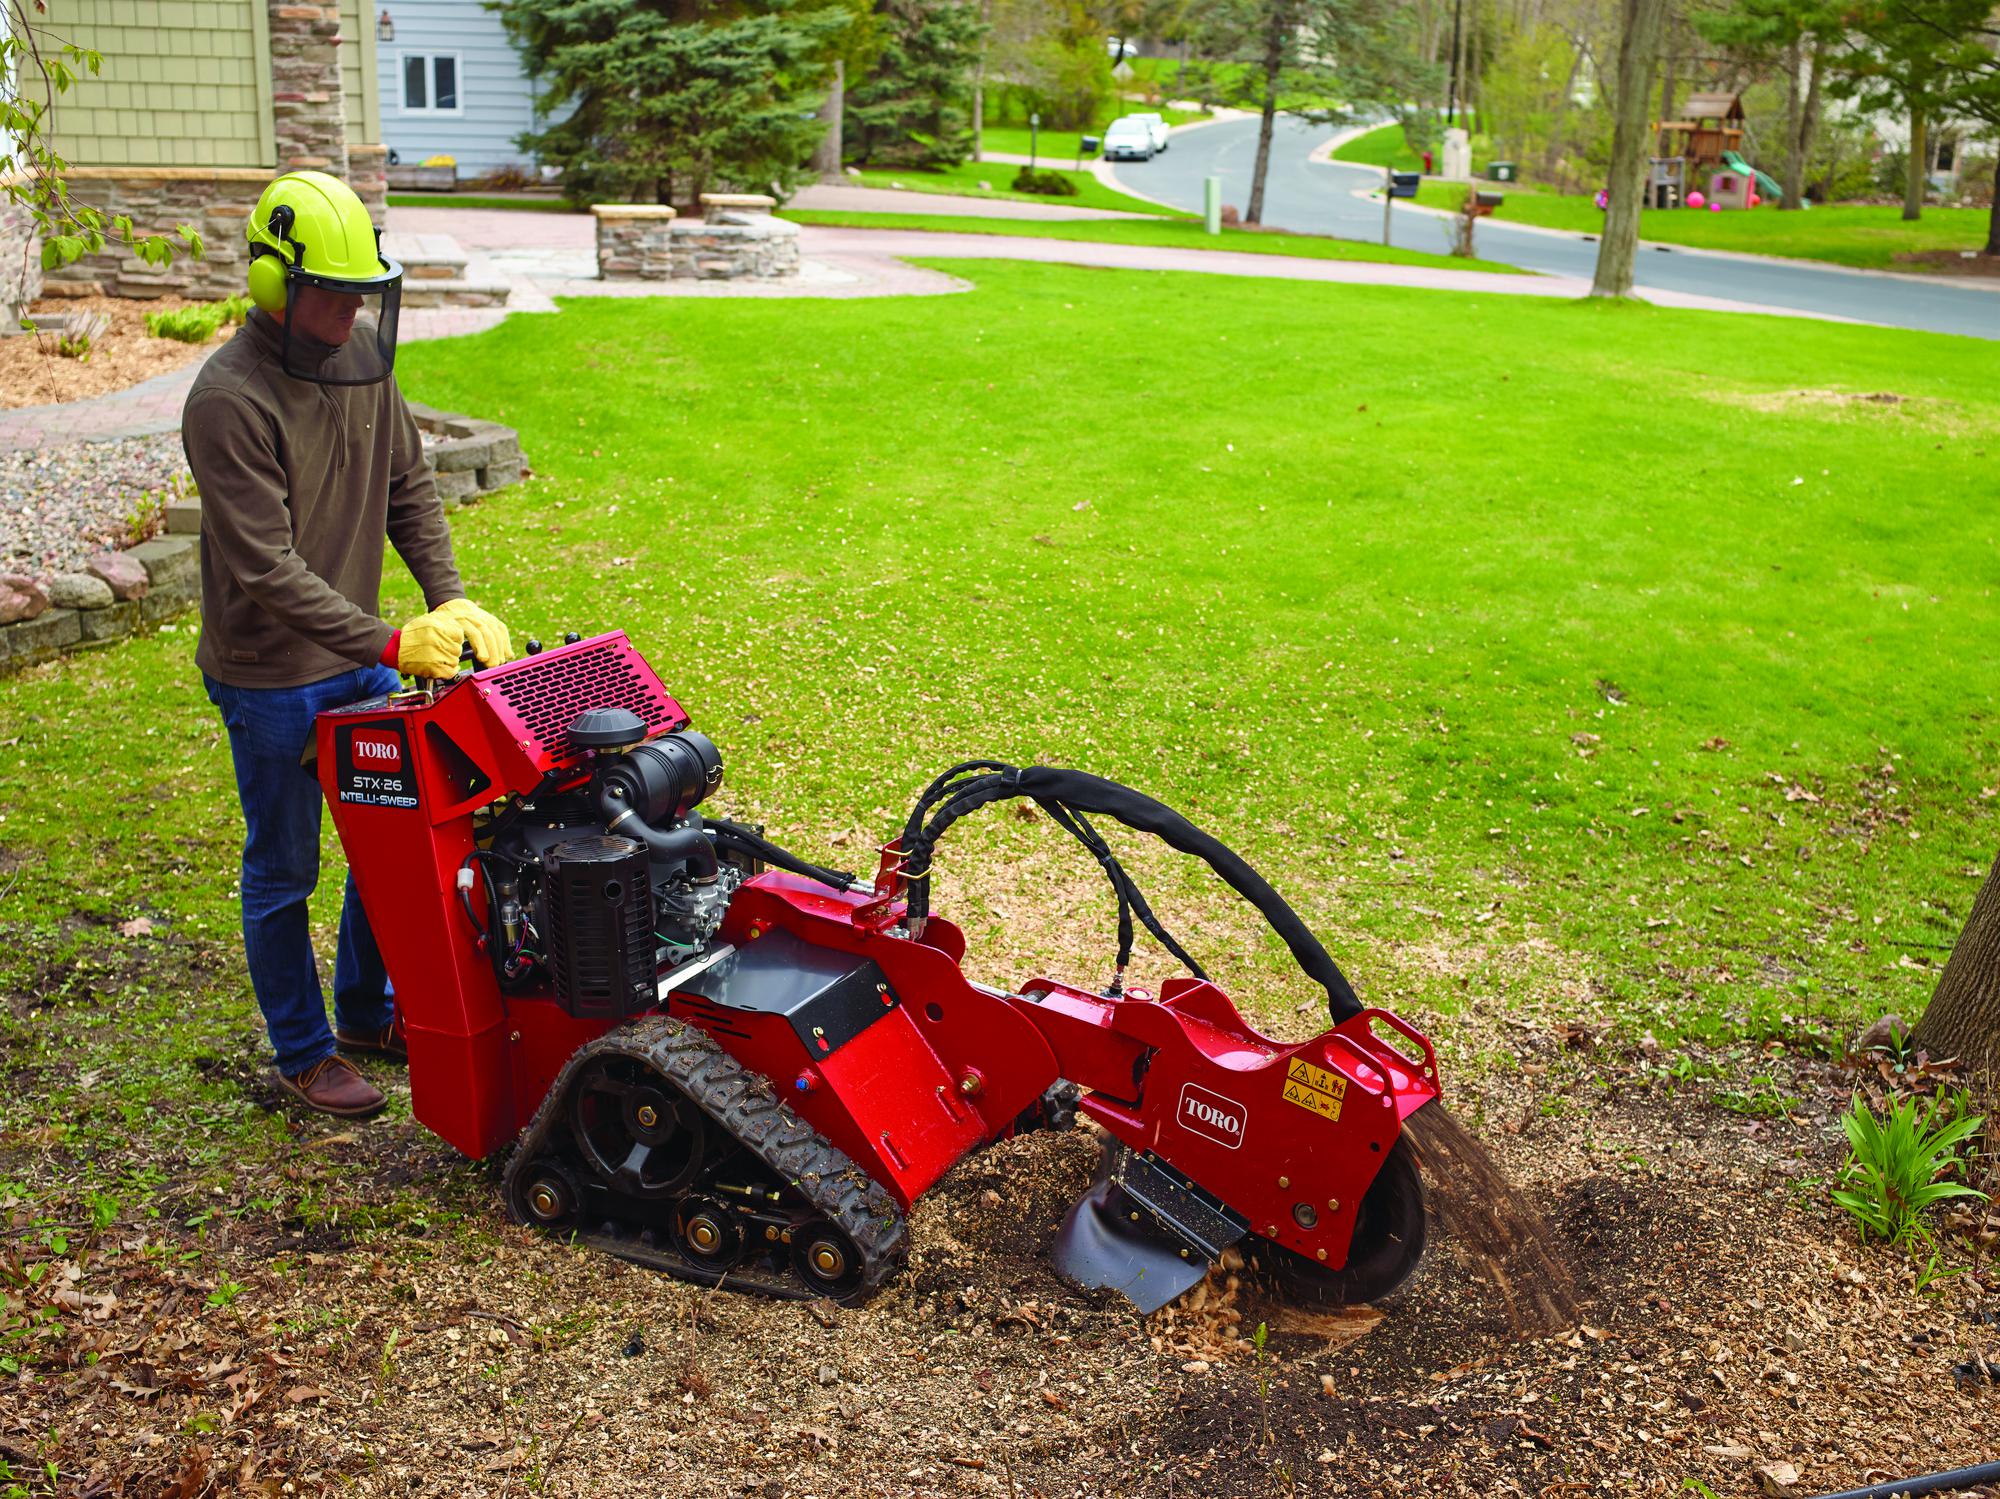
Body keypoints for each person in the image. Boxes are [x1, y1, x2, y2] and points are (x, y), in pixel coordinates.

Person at [182, 170, 515, 1119]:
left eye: (363, 293)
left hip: (366, 651)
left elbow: (409, 488)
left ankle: (368, 1011)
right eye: (330, 294)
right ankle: (302, 1049)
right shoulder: (226, 400)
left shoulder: (362, 354)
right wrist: (392, 635)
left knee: (395, 840)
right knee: (285, 867)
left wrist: (449, 601)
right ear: (273, 288)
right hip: (270, 673)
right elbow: (265, 568)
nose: (350, 312)